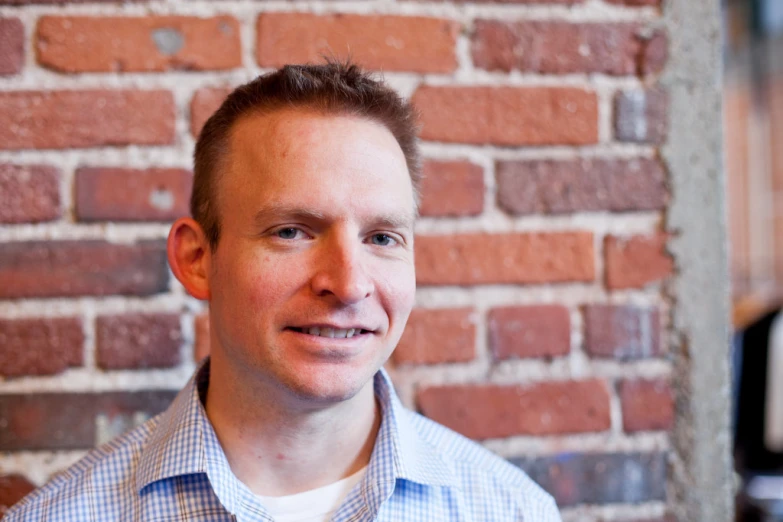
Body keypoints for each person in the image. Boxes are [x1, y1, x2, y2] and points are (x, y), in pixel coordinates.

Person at [5, 61, 562, 522]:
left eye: (382, 237)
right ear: (197, 260)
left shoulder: (511, 509)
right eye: (291, 232)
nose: (348, 284)